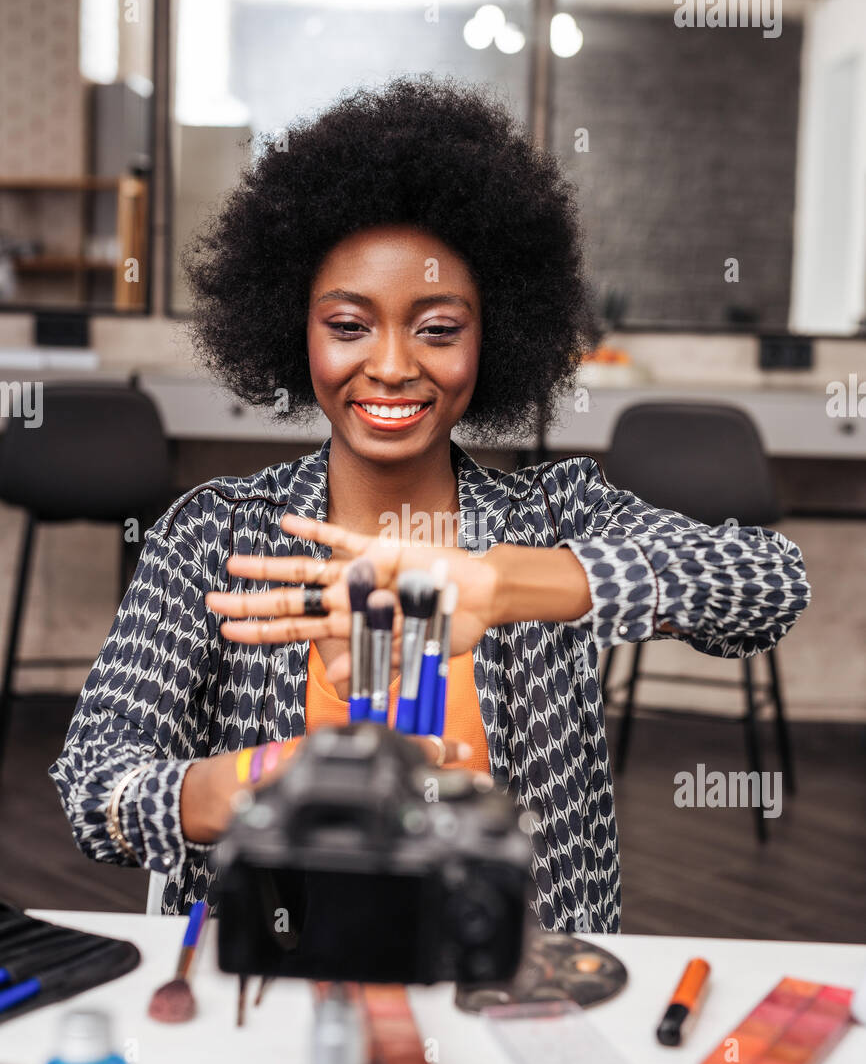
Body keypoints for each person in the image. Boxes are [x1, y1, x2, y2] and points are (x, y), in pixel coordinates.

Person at [50, 77, 810, 926]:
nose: (391, 365)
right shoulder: (213, 535)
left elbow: (767, 584)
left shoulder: (554, 518)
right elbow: (94, 788)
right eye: (348, 325)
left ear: (496, 335)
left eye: (438, 328)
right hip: (279, 982)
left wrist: (501, 586)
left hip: (511, 980)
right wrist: (273, 780)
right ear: (293, 328)